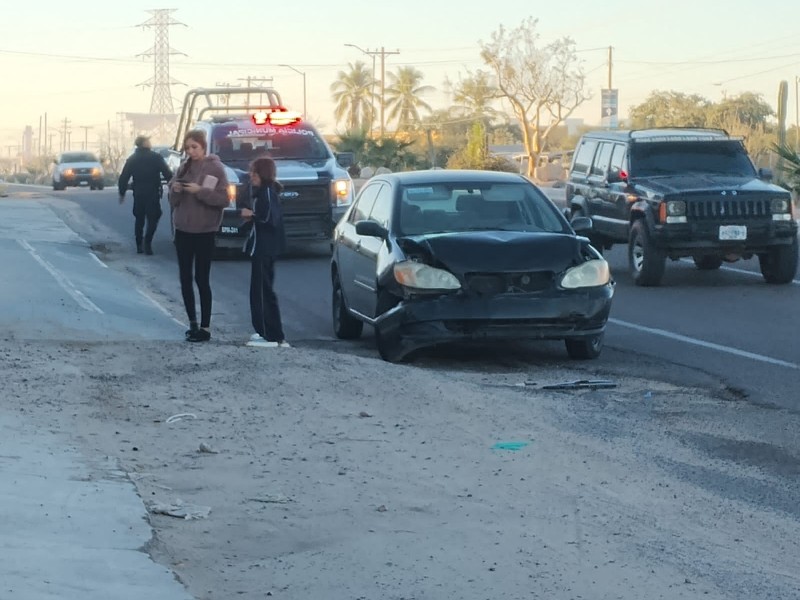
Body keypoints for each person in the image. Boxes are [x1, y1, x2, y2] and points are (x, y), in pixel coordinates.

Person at [167, 130, 230, 343]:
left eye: (194, 147)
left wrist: (199, 191)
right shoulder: (183, 167)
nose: (191, 151)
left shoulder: (215, 168)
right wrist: (176, 188)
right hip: (183, 230)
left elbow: (223, 199)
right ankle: (192, 323)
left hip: (205, 231)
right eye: (187, 148)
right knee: (185, 278)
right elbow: (172, 200)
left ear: (203, 147)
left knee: (202, 279)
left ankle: (205, 327)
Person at [240, 157, 289, 348]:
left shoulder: (267, 193)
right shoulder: (264, 193)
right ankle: (271, 333)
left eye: (254, 172)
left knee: (262, 292)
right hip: (262, 248)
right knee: (262, 291)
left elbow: (269, 219)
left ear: (263, 174)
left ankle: (270, 335)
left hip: (264, 248)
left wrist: (250, 215)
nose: (251, 176)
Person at [118, 135, 173, 255]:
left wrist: (122, 192)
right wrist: (173, 184)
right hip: (152, 192)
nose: (150, 142)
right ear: (143, 143)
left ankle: (139, 244)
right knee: (154, 217)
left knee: (139, 218)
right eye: (148, 140)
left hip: (138, 192)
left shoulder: (132, 159)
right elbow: (167, 173)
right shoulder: (156, 157)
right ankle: (147, 242)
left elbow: (124, 177)